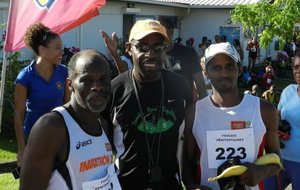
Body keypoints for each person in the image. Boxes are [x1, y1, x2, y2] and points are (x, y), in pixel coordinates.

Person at [103, 19, 192, 190]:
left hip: (169, 185)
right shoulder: (115, 90)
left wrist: (188, 181)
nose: (151, 54)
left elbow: (188, 137)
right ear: (129, 49)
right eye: (142, 47)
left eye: (158, 48)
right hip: (125, 185)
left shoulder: (180, 85)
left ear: (165, 50)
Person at [182, 42, 281, 190]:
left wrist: (263, 171)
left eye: (229, 66)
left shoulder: (264, 110)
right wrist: (191, 186)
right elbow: (187, 163)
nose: (224, 73)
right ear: (206, 72)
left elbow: (276, 160)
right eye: (216, 68)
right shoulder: (193, 112)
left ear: (239, 69)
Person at [20, 49, 120, 190]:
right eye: (86, 80)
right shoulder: (51, 128)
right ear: (70, 84)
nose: (96, 87)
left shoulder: (102, 124)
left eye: (103, 79)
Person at [14, 23, 70, 167]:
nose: (61, 52)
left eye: (61, 49)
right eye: (57, 48)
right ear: (42, 50)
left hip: (59, 136)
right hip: (34, 138)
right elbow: (18, 115)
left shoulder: (63, 72)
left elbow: (68, 106)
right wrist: (21, 149)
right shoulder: (25, 77)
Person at [265, 52, 300, 190]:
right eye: (295, 67)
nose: (298, 71)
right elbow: (277, 115)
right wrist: (278, 125)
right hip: (279, 159)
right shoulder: (288, 91)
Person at [160, 18, 207, 100]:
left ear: (171, 30)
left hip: (186, 109)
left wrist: (204, 110)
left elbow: (201, 86)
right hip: (160, 109)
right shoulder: (152, 55)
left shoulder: (188, 53)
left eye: (160, 28)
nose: (156, 32)